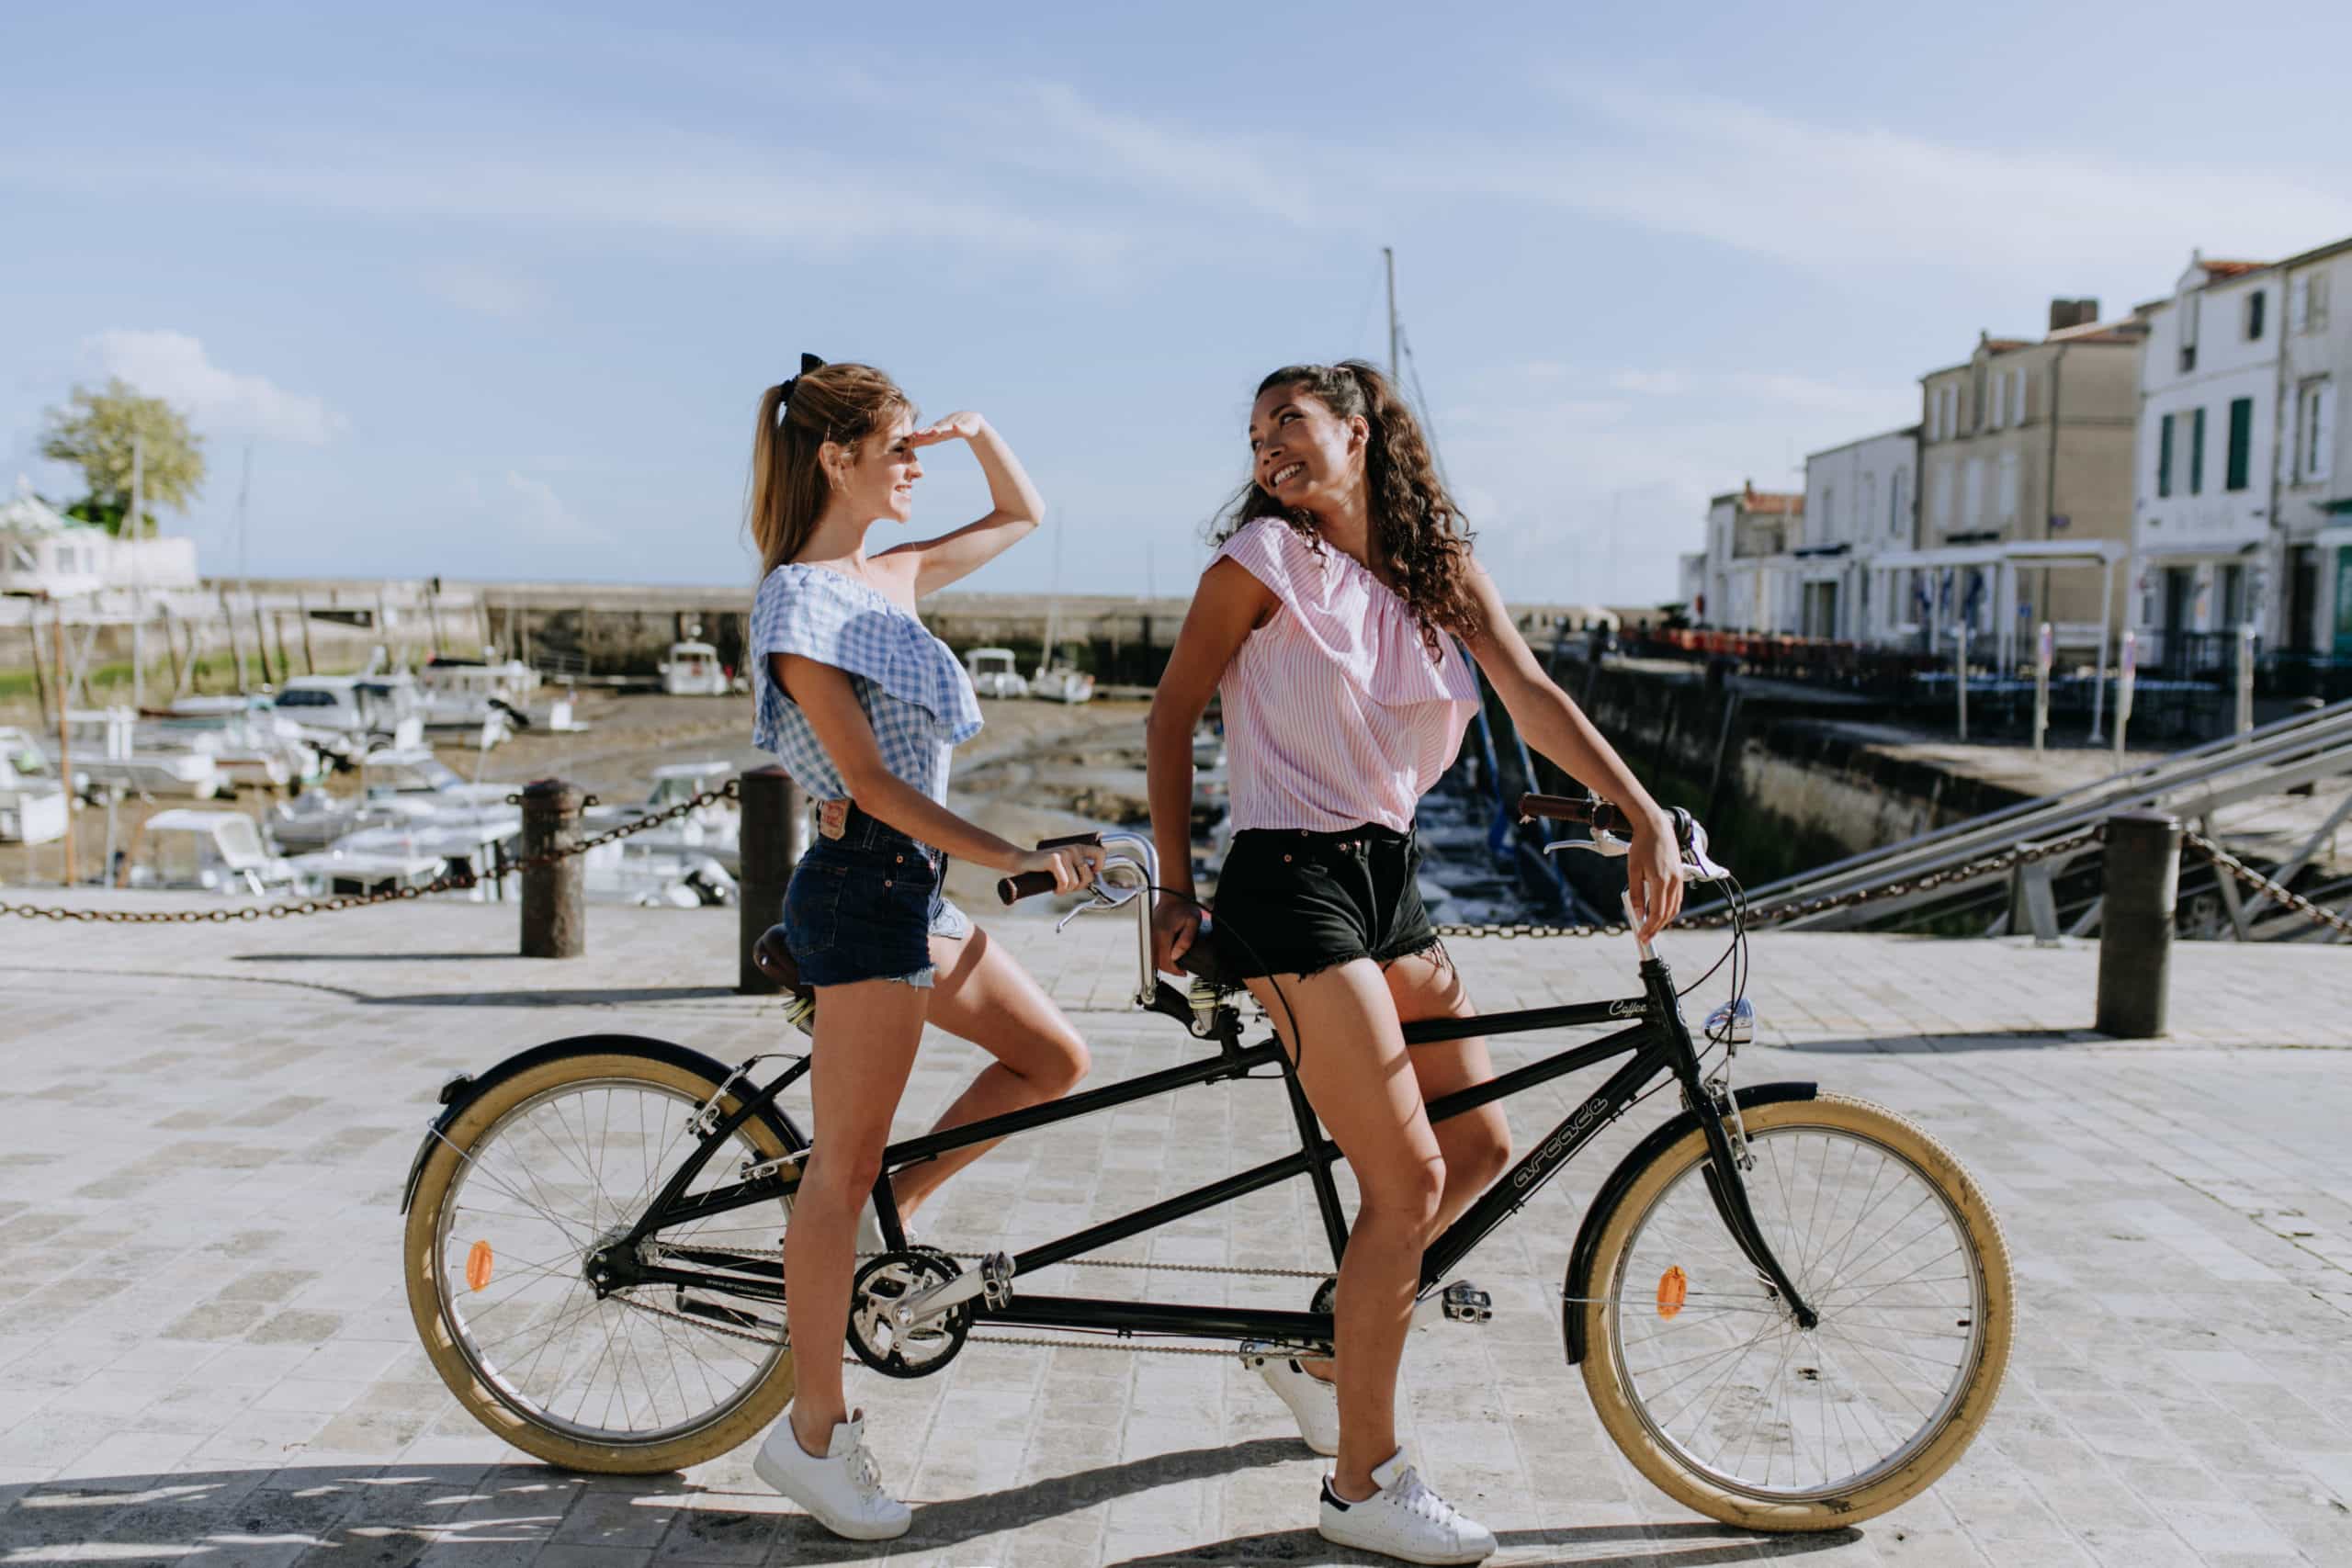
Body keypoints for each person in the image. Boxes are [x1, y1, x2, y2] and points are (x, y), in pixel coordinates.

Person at [1146, 360, 1685, 1565]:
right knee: (1405, 1186)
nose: (1267, 446)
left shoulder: (1438, 576)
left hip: (1389, 880)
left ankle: (1336, 1355)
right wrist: (1175, 887)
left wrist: (1642, 810)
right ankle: (1363, 1481)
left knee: (1483, 1148)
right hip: (1288, 886)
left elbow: (1532, 696)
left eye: (1289, 422)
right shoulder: (1259, 566)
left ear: (1359, 432)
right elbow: (1172, 712)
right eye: (1252, 432)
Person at [744, 355, 1105, 1540]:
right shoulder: (801, 600)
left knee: (1050, 1061)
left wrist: (978, 433)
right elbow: (866, 781)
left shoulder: (889, 574)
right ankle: (812, 1439)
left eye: (917, 447)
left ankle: (879, 1214)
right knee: (832, 1175)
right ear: (836, 459)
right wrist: (1009, 853)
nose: (914, 466)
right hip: (861, 895)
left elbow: (1021, 515)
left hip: (911, 899)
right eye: (898, 448)